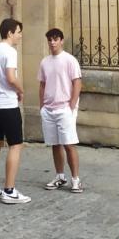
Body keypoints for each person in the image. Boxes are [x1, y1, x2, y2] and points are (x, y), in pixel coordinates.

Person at [0, 18, 31, 205]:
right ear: (10, 33)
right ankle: (9, 190)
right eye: (18, 32)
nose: (20, 36)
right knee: (15, 145)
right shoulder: (10, 51)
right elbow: (11, 77)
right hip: (8, 106)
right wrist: (20, 90)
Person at [39, 28, 83, 194]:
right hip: (49, 109)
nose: (52, 42)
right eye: (50, 39)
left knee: (69, 144)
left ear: (61, 41)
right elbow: (42, 84)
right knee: (55, 144)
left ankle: (76, 179)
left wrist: (71, 105)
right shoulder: (45, 62)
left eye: (55, 39)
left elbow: (77, 82)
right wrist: (42, 106)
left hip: (64, 108)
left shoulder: (69, 60)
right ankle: (60, 176)